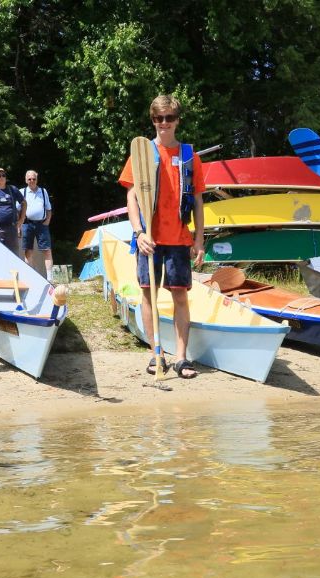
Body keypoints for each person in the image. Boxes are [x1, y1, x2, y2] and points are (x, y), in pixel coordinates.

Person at [118, 94, 206, 380]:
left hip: (179, 237)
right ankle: (156, 354)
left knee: (180, 295)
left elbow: (197, 201)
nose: (163, 123)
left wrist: (200, 240)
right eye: (158, 118)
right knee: (148, 294)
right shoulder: (142, 154)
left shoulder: (190, 156)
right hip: (149, 239)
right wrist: (138, 232)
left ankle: (180, 358)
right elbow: (132, 196)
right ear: (153, 120)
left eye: (169, 118)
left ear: (177, 120)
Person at [20, 170, 54, 281]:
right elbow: (17, 210)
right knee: (28, 251)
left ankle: (50, 278)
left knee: (47, 250)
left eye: (34, 178)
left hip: (41, 224)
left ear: (37, 179)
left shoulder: (43, 192)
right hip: (27, 224)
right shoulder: (22, 192)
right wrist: (18, 225)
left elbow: (49, 209)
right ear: (26, 180)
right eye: (29, 179)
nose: (32, 181)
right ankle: (30, 277)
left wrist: (47, 221)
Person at [0, 168, 25, 255]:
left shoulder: (13, 189)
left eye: (3, 175)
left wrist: (22, 219)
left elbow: (24, 203)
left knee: (13, 256)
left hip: (12, 229)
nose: (1, 177)